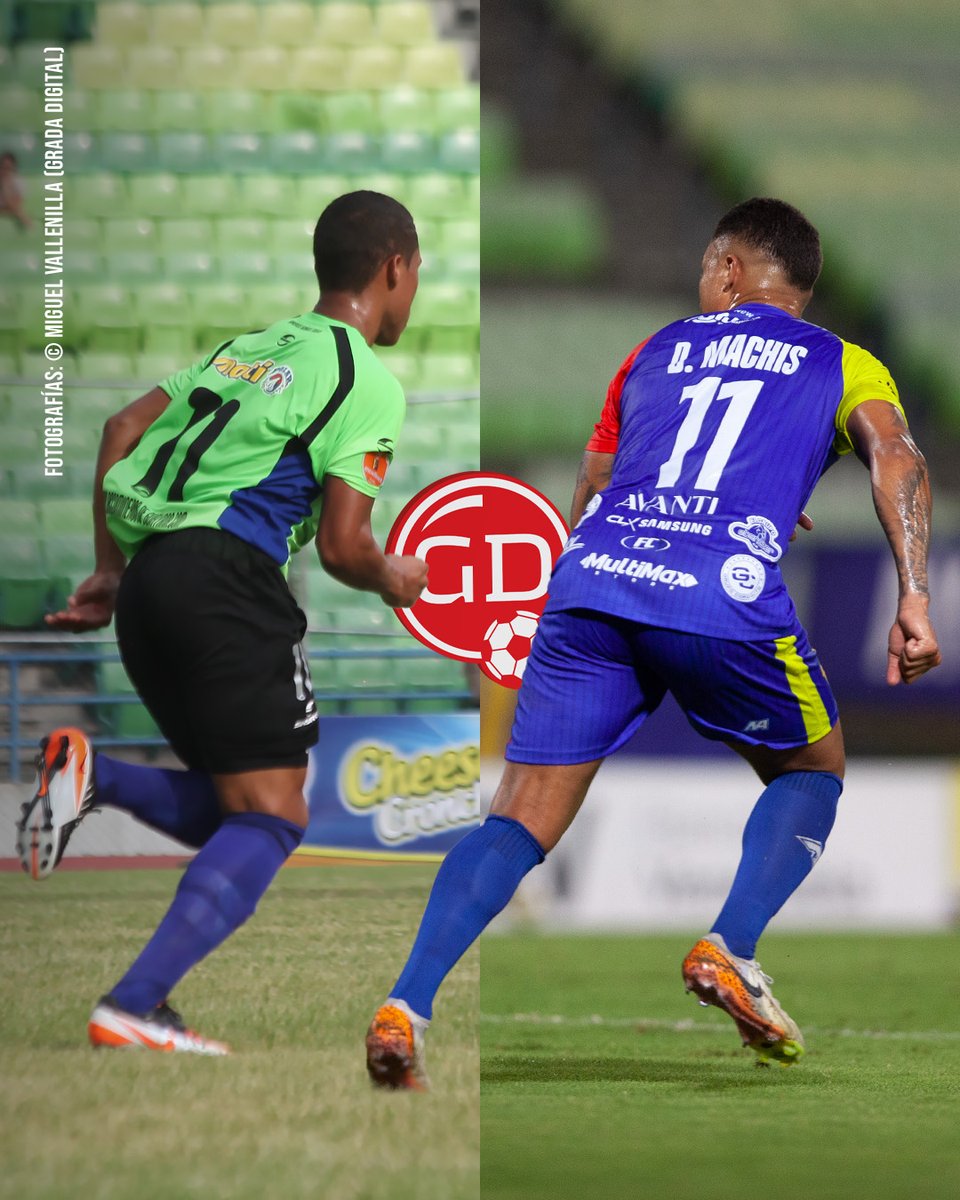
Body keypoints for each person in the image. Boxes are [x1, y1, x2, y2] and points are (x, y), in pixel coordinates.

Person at [365, 197, 941, 1089]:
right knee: (812, 771)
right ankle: (731, 947)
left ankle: (407, 1001)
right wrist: (912, 593)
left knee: (519, 813)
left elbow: (595, 484)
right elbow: (898, 457)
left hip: (593, 583)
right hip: (721, 592)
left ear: (728, 271)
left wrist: (555, 603)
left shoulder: (656, 348)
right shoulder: (844, 360)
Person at [17, 190, 429, 1054]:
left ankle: (96, 778)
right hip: (228, 582)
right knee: (276, 818)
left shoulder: (247, 349)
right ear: (396, 266)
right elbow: (350, 549)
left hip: (150, 587)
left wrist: (109, 569)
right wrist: (399, 579)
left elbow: (121, 426)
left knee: (241, 809)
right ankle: (133, 1002)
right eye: (416, 272)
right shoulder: (364, 380)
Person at [0, 151, 32, 230]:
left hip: (12, 215)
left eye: (8, 168)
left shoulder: (19, 182)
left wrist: (6, 186)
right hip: (10, 213)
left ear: (14, 169)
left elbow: (15, 207)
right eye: (2, 167)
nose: (5, 171)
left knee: (22, 216)